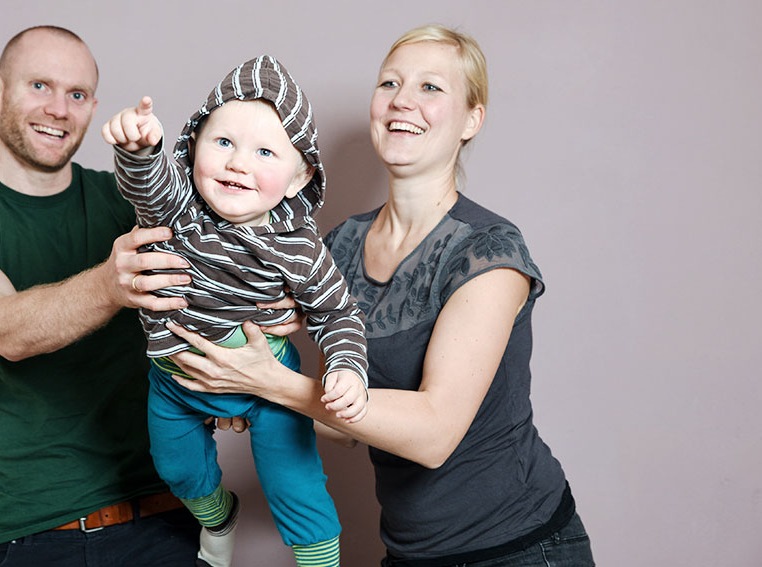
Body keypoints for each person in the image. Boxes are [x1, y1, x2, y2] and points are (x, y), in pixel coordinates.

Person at [160, 25, 596, 567]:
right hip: (410, 551)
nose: (402, 100)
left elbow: (434, 432)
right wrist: (244, 400)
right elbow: (344, 423)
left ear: (472, 118)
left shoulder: (488, 249)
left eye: (431, 88)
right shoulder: (337, 245)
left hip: (521, 547)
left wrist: (271, 383)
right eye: (389, 82)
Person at [0, 25, 243, 567]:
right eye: (39, 86)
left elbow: (232, 274)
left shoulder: (132, 204)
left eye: (77, 95)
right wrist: (112, 284)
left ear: (93, 107)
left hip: (161, 522)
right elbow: (0, 328)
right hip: (22, 535)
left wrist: (246, 366)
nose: (58, 109)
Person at [101, 55, 369, 567]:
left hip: (266, 383)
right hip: (175, 378)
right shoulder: (179, 206)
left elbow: (337, 315)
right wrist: (140, 150)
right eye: (222, 142)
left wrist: (346, 369)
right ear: (193, 144)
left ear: (298, 177)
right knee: (176, 468)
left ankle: (320, 560)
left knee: (296, 486)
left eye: (265, 152)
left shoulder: (299, 248)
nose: (237, 162)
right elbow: (147, 185)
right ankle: (217, 517)